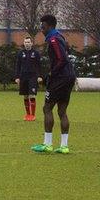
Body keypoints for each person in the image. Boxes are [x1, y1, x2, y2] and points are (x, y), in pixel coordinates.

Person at [31, 15, 76, 154]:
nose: (41, 29)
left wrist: (51, 74)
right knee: (62, 111)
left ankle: (48, 144)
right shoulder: (60, 37)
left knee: (47, 108)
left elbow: (62, 60)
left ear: (49, 26)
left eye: (42, 26)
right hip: (68, 77)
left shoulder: (54, 39)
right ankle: (64, 146)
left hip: (60, 78)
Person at [14, 36, 42, 121]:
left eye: (28, 42)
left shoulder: (36, 53)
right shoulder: (20, 53)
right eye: (25, 42)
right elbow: (18, 66)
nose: (27, 44)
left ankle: (33, 115)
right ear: (24, 43)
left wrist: (39, 76)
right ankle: (27, 114)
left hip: (33, 77)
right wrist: (17, 77)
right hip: (23, 77)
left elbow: (39, 66)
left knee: (32, 95)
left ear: (31, 43)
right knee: (25, 96)